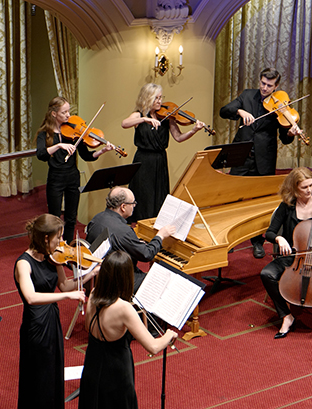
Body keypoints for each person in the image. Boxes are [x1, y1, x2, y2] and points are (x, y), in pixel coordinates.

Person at [218, 68, 302, 258]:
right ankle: (229, 239)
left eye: (269, 85)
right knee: (232, 198)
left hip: (263, 159)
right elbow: (224, 111)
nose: (264, 88)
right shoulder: (247, 95)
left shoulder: (280, 106)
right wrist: (239, 110)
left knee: (258, 202)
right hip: (241, 155)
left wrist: (290, 133)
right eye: (263, 83)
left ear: (276, 86)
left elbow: (285, 138)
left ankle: (257, 241)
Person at [259, 168, 312, 347]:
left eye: (311, 186)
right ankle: (286, 315)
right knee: (266, 274)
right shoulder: (287, 205)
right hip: (294, 257)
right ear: (294, 188)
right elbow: (269, 232)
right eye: (304, 187)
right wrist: (279, 238)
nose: (309, 190)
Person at [14, 214, 95, 409]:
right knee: (38, 377)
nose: (61, 242)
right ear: (44, 238)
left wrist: (91, 273)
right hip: (35, 326)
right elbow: (31, 297)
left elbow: (65, 285)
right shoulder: (23, 264)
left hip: (52, 321)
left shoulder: (52, 257)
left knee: (53, 372)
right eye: (57, 237)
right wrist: (67, 297)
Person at [79, 251, 177, 409]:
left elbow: (87, 326)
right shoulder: (124, 308)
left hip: (93, 364)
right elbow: (152, 346)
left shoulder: (93, 294)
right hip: (116, 372)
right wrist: (168, 335)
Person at [121, 83, 205, 223]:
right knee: (144, 196)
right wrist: (144, 119)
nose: (160, 101)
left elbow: (178, 137)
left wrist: (194, 130)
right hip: (143, 161)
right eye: (156, 98)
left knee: (159, 196)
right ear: (147, 98)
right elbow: (124, 123)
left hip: (160, 160)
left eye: (161, 97)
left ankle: (157, 231)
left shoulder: (167, 116)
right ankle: (141, 231)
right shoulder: (139, 115)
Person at [36, 97, 115, 242]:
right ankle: (55, 246)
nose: (68, 115)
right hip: (55, 178)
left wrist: (102, 151)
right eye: (64, 112)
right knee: (54, 217)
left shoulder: (73, 132)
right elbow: (41, 154)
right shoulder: (44, 134)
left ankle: (68, 245)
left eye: (68, 111)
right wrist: (59, 146)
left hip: (72, 177)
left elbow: (87, 156)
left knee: (71, 218)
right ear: (54, 114)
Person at [86, 187, 175, 292]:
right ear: (123, 207)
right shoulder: (124, 231)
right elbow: (147, 254)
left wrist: (135, 244)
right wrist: (160, 235)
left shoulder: (96, 218)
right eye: (133, 203)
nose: (134, 206)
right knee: (162, 284)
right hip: (118, 281)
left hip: (98, 277)